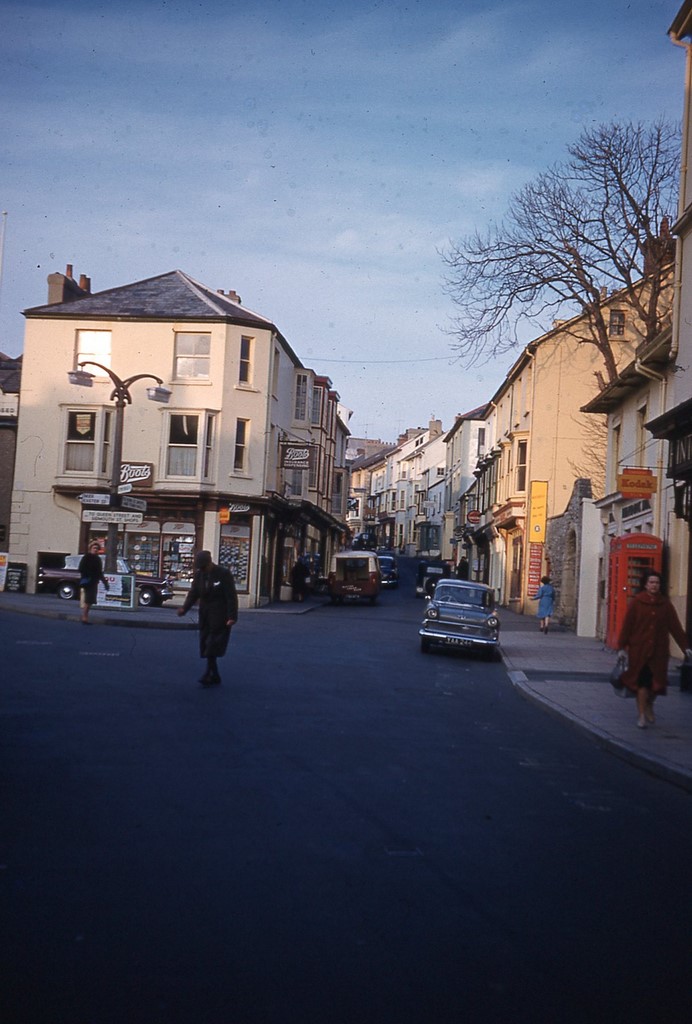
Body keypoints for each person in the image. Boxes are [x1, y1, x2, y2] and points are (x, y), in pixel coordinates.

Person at [617, 570, 692, 729]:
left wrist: (685, 647)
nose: (654, 585)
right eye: (651, 582)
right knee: (643, 684)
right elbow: (627, 626)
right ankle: (642, 715)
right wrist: (621, 647)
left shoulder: (665, 604)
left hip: (659, 652)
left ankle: (650, 704)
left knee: (657, 685)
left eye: (657, 583)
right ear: (645, 584)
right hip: (639, 651)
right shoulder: (637, 602)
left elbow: (675, 627)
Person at [177, 550, 238, 686]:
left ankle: (208, 674)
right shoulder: (199, 575)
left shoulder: (223, 574)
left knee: (212, 644)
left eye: (204, 567)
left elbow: (231, 596)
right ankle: (215, 674)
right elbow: (193, 593)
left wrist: (232, 616)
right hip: (205, 615)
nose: (202, 570)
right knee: (206, 643)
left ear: (210, 563)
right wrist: (184, 608)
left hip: (220, 615)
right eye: (200, 568)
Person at [78, 540, 109, 624]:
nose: (95, 550)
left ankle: (85, 616)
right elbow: (81, 569)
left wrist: (105, 583)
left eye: (97, 548)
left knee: (91, 600)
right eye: (94, 548)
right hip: (87, 581)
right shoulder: (86, 557)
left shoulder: (98, 559)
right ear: (90, 548)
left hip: (94, 582)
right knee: (88, 600)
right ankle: (84, 617)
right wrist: (88, 575)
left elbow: (99, 572)